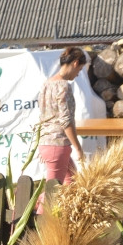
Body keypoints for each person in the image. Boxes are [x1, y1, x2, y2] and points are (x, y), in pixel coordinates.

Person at [38, 46, 88, 185]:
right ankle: (35, 207)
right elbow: (66, 121)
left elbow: (43, 116)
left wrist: (41, 143)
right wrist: (78, 148)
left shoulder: (46, 84)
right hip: (58, 145)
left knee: (70, 183)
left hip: (47, 143)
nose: (78, 74)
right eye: (79, 70)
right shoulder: (63, 86)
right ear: (75, 63)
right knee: (52, 193)